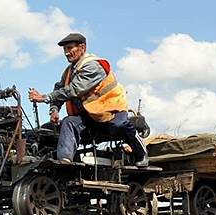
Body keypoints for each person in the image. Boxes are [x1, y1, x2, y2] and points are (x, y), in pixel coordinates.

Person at [27, 33, 148, 167]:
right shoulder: (69, 71)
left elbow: (75, 89)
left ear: (82, 47)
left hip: (110, 111)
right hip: (89, 115)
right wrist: (54, 110)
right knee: (69, 122)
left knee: (120, 126)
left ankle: (141, 153)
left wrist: (44, 97)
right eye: (64, 50)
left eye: (69, 48)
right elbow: (59, 90)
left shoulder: (93, 66)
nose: (67, 53)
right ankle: (64, 161)